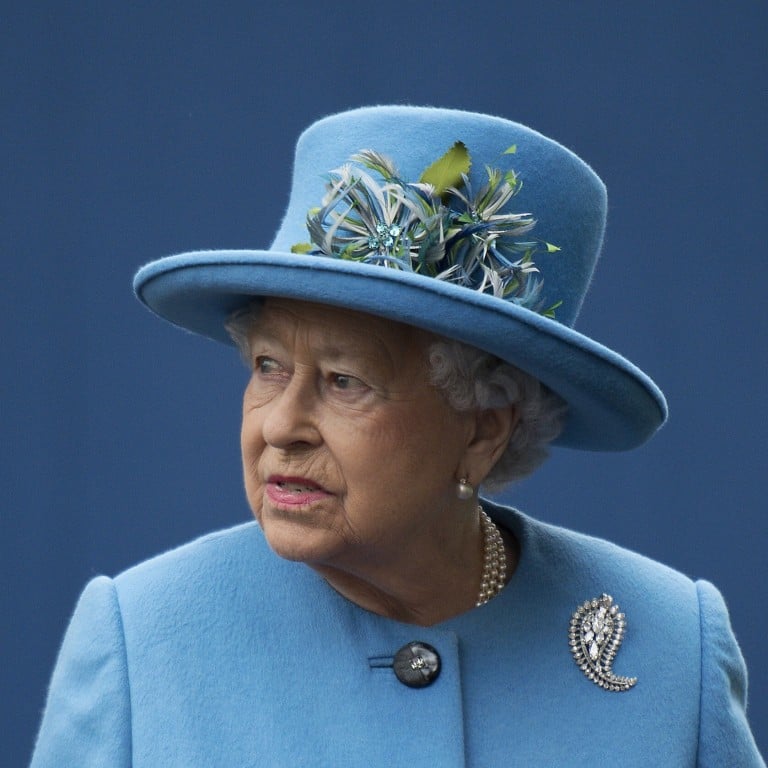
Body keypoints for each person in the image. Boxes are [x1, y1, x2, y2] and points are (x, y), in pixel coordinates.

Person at [30, 106, 764, 766]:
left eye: (346, 381)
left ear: (482, 428)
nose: (280, 426)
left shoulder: (670, 643)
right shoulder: (141, 635)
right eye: (267, 367)